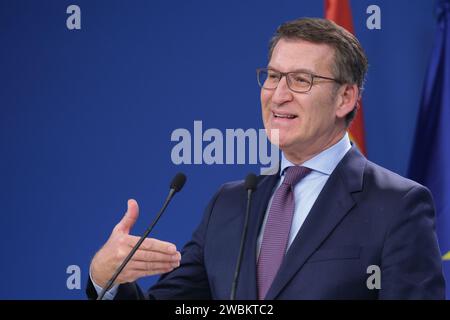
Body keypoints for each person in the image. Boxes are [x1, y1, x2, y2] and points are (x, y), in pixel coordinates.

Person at [87, 17, 445, 300]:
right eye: (272, 76)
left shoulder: (399, 206)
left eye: (301, 80)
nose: (278, 95)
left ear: (345, 99)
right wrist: (106, 279)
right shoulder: (229, 204)